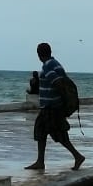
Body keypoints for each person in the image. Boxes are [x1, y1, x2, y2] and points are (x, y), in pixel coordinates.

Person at [26, 42, 84, 171]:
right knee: (41, 131)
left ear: (39, 54)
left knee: (59, 135)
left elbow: (57, 83)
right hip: (48, 107)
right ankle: (40, 161)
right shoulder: (55, 63)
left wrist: (60, 104)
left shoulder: (48, 66)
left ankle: (78, 156)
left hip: (52, 108)